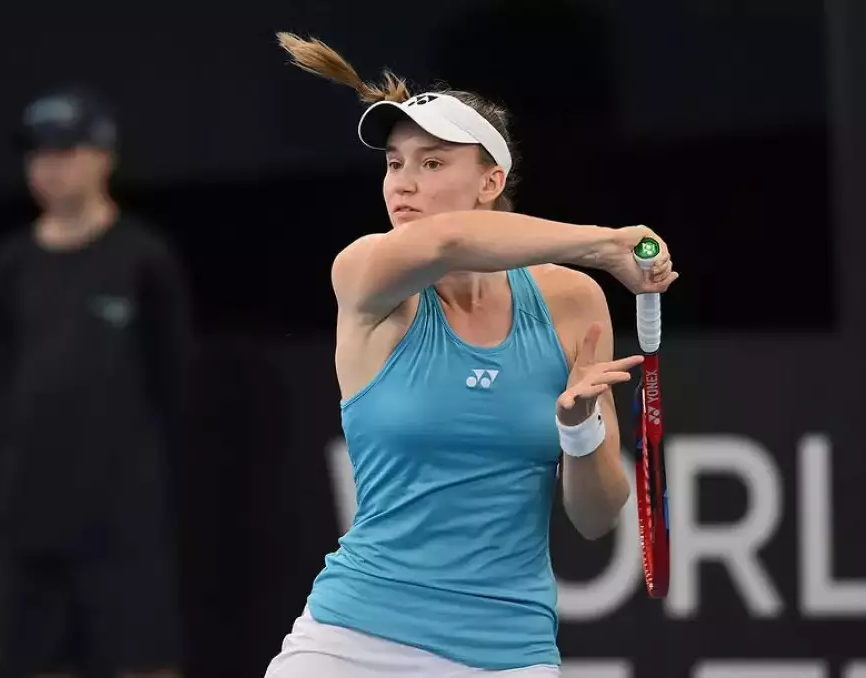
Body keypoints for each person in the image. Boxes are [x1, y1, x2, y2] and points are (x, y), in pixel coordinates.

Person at [265, 34, 679, 678]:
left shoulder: (572, 301)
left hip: (511, 652)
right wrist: (604, 242)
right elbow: (449, 241)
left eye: (432, 163)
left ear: (492, 180)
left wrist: (579, 431)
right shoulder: (366, 274)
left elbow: (596, 518)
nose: (403, 184)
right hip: (351, 642)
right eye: (394, 164)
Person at [0, 87, 192, 678]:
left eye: (65, 150)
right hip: (32, 506)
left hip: (122, 510)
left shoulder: (143, 258)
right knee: (31, 657)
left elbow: (174, 381)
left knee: (144, 658)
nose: (48, 167)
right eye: (37, 153)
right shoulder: (11, 264)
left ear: (103, 156)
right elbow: (9, 369)